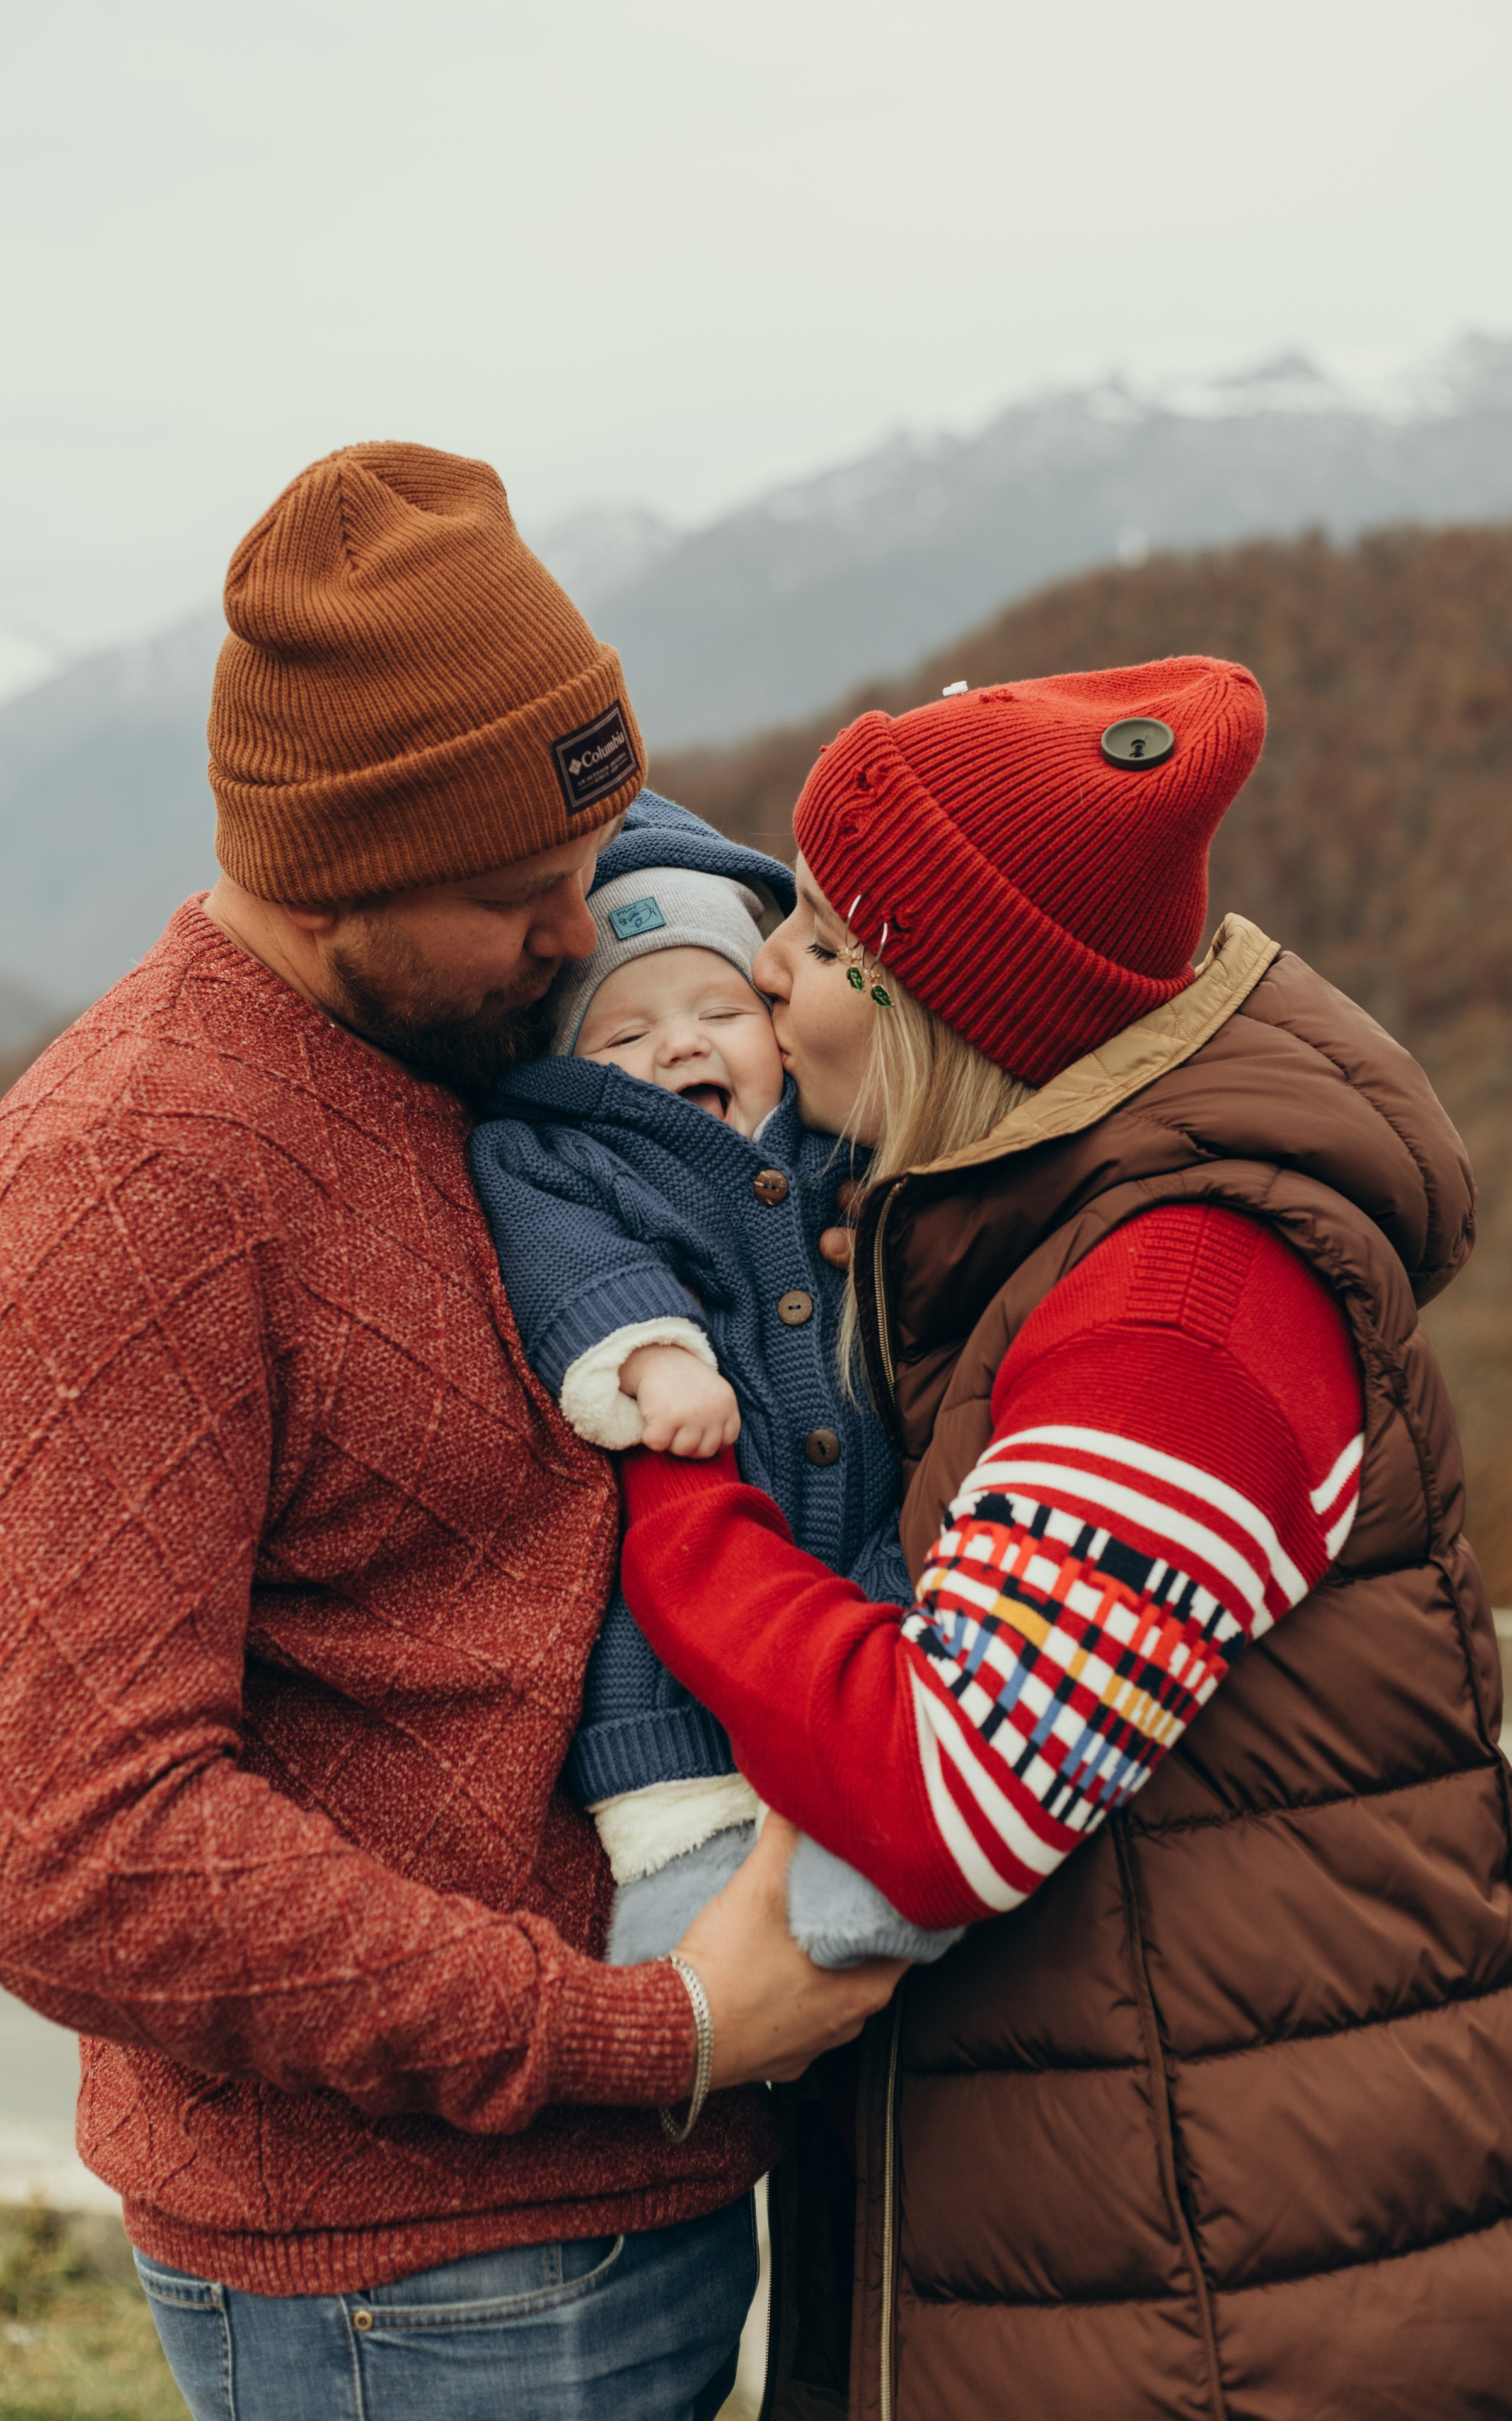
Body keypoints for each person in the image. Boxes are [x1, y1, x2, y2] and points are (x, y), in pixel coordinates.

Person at [0, 442, 898, 2421]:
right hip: (419, 2286)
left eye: (587, 863)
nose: (581, 936)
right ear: (327, 877)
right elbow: (80, 1857)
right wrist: (656, 2030)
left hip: (625, 2205)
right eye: (515, 896)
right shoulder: (132, 1179)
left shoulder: (458, 1046)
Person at [616, 658, 1512, 2419]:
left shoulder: (1179, 1317)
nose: (765, 968)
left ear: (949, 1015)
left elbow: (947, 1793)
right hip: (1106, 2235)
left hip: (1218, 2306)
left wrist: (668, 1487)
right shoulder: (1029, 1229)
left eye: (822, 944)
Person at [469, 792, 955, 1970]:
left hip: (869, 1548)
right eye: (624, 1037)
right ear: (569, 1070)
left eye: (720, 1011)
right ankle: (694, 1933)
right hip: (688, 1621)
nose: (681, 1046)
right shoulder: (563, 1154)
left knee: (899, 1688)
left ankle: (878, 1886)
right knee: (682, 1809)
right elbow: (562, 1256)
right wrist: (650, 1354)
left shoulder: (842, 1142)